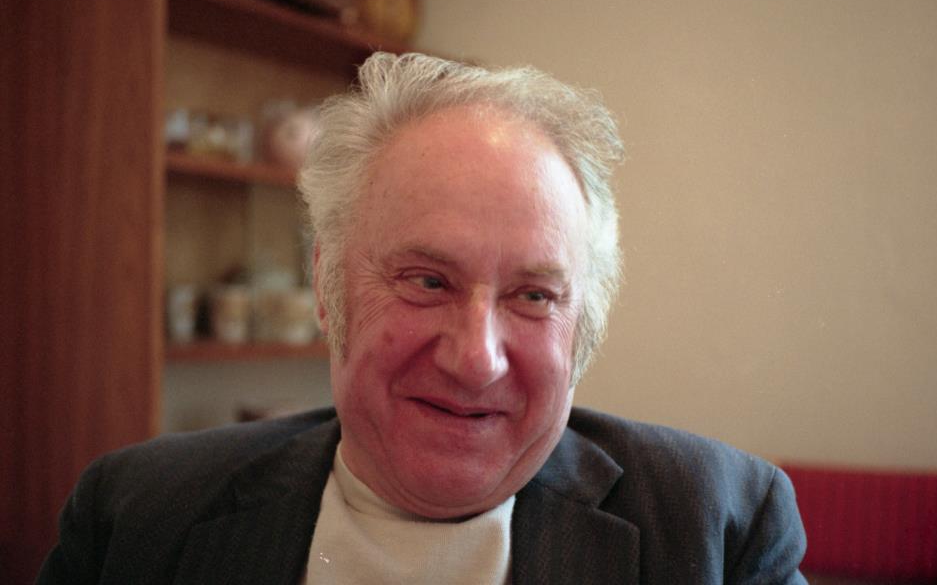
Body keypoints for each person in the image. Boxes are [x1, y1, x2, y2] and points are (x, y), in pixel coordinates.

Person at [38, 52, 807, 584]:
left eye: (533, 296)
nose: (476, 360)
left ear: (584, 326)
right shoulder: (137, 516)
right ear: (327, 286)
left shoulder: (714, 528)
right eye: (428, 281)